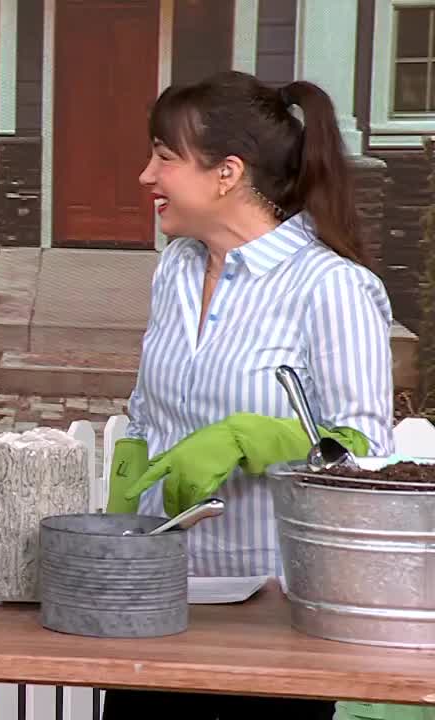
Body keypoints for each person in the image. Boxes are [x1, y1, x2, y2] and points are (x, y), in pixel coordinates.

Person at [102, 70, 395, 719]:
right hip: (155, 604)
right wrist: (114, 537)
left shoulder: (330, 288)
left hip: (270, 619)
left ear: (227, 173)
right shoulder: (176, 269)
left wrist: (248, 438)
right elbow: (145, 418)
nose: (147, 176)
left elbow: (370, 457)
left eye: (164, 157)